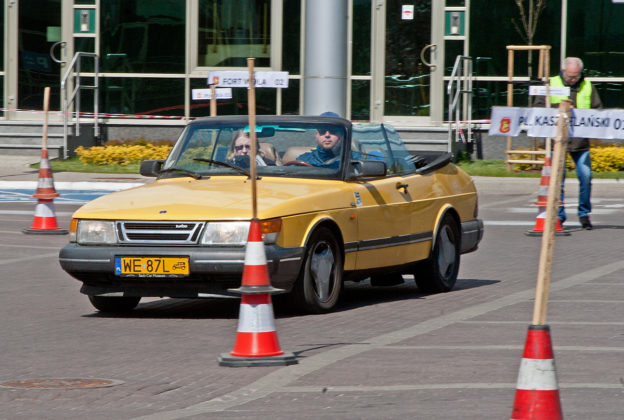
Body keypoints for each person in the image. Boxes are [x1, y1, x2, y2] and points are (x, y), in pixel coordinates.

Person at [533, 57, 602, 230]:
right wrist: (560, 109)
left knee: (586, 177)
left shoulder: (587, 86)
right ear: (563, 71)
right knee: (558, 180)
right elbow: (539, 108)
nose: (573, 79)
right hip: (557, 140)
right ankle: (559, 215)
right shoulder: (551, 84)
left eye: (576, 76)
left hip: (580, 142)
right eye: (570, 76)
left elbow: (598, 110)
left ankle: (584, 214)